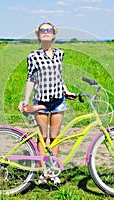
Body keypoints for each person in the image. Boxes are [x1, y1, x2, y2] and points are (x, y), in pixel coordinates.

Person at [18, 22, 75, 184]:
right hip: (41, 102)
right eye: (42, 30)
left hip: (58, 101)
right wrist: (26, 101)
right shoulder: (33, 56)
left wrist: (66, 90)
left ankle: (53, 171)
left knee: (54, 137)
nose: (46, 32)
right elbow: (30, 79)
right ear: (38, 35)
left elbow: (59, 75)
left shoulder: (60, 53)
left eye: (49, 30)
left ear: (53, 35)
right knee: (42, 137)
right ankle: (43, 172)